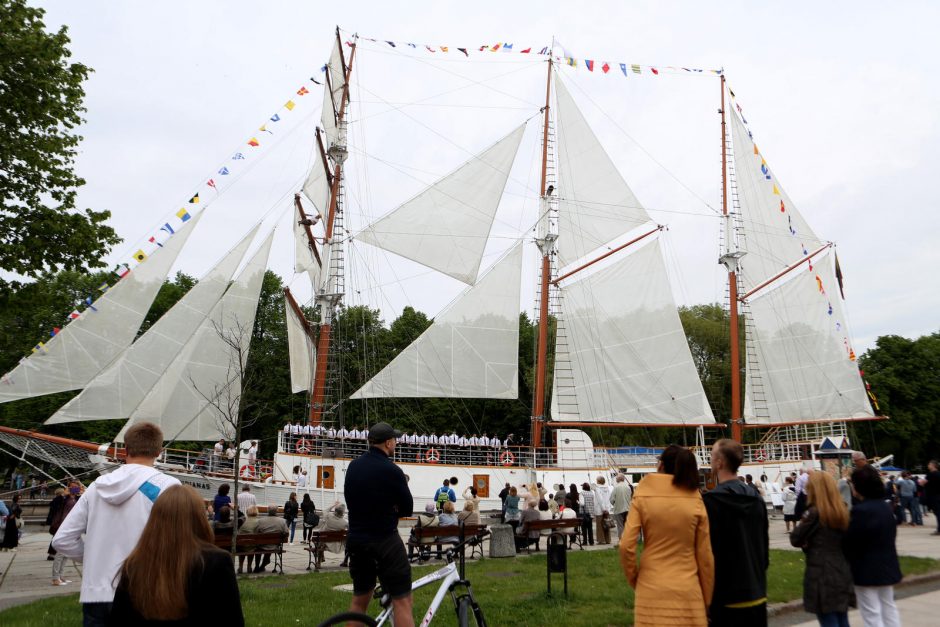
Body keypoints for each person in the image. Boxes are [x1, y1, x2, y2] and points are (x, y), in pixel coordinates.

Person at [52, 422, 180, 625]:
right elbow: (177, 542)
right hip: (145, 589)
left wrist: (96, 558)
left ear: (125, 450)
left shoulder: (95, 487)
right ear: (159, 452)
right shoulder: (168, 486)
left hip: (97, 593)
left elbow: (62, 539)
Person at [109, 485, 243, 625]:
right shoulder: (217, 562)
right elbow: (233, 619)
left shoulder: (134, 564)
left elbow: (117, 619)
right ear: (199, 518)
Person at [620, 444, 714, 627]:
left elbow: (626, 546)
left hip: (651, 589)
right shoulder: (694, 497)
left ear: (661, 465)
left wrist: (635, 580)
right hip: (688, 591)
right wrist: (707, 598)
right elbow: (705, 556)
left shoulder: (643, 494)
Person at [344, 422, 415, 627]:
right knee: (402, 600)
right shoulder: (392, 470)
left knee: (359, 600)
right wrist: (392, 508)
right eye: (395, 440)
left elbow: (351, 499)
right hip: (384, 540)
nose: (396, 443)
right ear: (388, 442)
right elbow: (407, 508)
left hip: (357, 539)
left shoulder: (353, 466)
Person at [703, 439, 769, 626]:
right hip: (756, 591)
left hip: (725, 596)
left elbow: (708, 552)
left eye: (712, 455)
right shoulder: (756, 500)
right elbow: (763, 547)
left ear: (719, 462)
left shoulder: (711, 502)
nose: (709, 458)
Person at [790, 471, 853, 627]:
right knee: (841, 617)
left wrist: (807, 543)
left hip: (821, 572)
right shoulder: (842, 511)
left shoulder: (813, 513)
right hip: (841, 568)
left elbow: (795, 538)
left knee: (828, 619)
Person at [844, 464, 901, 627]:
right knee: (888, 606)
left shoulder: (860, 511)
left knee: (871, 612)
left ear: (859, 487)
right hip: (887, 564)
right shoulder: (885, 506)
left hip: (866, 568)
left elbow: (850, 541)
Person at [47, 482, 82, 585]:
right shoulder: (64, 498)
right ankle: (55, 578)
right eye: (73, 487)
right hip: (63, 527)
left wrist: (84, 493)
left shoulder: (77, 498)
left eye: (77, 487)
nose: (75, 489)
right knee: (60, 553)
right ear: (68, 487)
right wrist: (64, 494)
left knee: (66, 553)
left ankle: (60, 576)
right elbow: (53, 505)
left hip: (73, 527)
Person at [253, 504, 288, 573]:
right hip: (274, 545)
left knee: (259, 547)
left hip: (262, 545)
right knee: (270, 545)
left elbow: (255, 533)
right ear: (277, 511)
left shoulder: (260, 521)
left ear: (267, 511)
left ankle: (257, 566)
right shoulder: (282, 521)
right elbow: (286, 533)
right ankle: (262, 566)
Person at [237, 506, 261, 574]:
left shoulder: (243, 520)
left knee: (243, 545)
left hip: (241, 545)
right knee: (252, 546)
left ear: (247, 512)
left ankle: (240, 566)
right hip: (253, 545)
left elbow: (239, 533)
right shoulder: (259, 522)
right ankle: (249, 566)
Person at [610, 474, 633, 540]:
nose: (616, 479)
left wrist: (614, 504)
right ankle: (628, 538)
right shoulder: (628, 487)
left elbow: (612, 499)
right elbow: (630, 497)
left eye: (616, 478)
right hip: (628, 508)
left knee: (620, 526)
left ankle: (622, 540)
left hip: (619, 509)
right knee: (627, 525)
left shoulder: (616, 487)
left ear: (618, 479)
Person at [922, 460, 940, 534]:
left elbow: (922, 483)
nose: (928, 465)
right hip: (938, 495)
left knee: (937, 513)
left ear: (933, 465)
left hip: (933, 496)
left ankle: (939, 530)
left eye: (929, 464)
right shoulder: (939, 474)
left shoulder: (930, 474)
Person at [593, 476, 612, 545]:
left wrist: (603, 509)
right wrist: (607, 509)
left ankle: (601, 540)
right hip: (607, 509)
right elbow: (609, 499)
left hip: (600, 510)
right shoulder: (607, 488)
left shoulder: (597, 489)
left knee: (600, 525)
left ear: (598, 481)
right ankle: (608, 539)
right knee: (607, 525)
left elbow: (600, 500)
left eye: (597, 480)